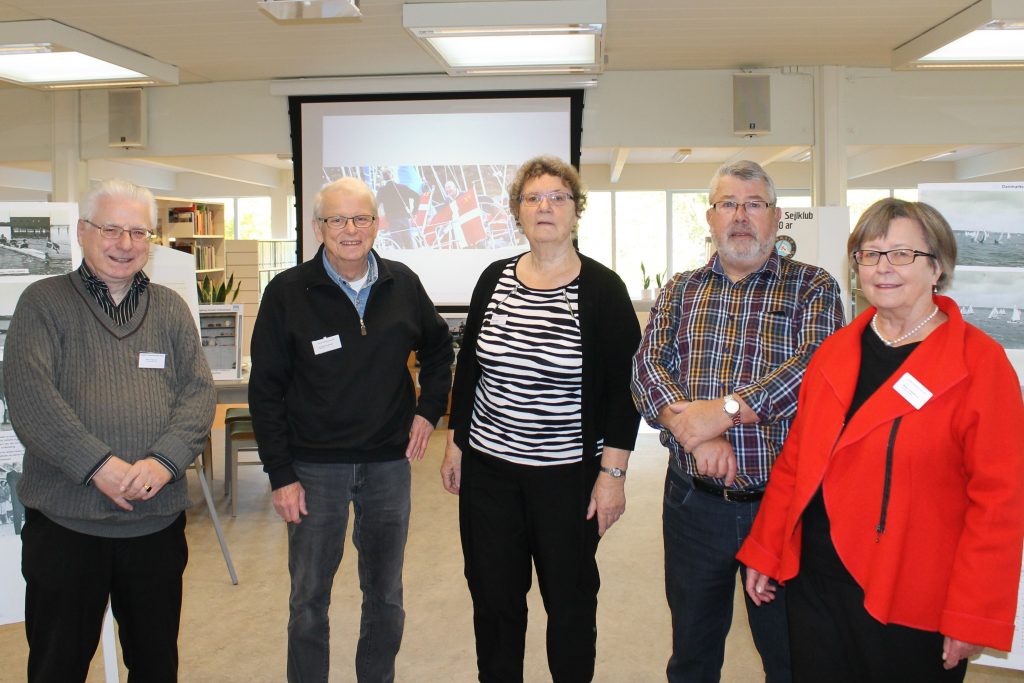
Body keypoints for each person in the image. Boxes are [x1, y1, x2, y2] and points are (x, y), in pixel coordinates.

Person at [738, 198, 1024, 682]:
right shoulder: (835, 351)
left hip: (912, 591)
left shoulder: (979, 363)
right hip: (818, 583)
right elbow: (797, 461)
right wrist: (766, 547)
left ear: (938, 268)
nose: (883, 268)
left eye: (901, 254)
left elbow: (1000, 502)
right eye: (869, 254)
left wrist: (973, 611)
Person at [631, 160, 845, 683]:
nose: (741, 216)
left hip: (782, 508)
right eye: (729, 204)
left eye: (755, 204)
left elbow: (815, 368)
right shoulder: (681, 289)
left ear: (776, 218)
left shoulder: (813, 287)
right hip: (691, 504)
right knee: (692, 653)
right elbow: (646, 369)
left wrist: (723, 414)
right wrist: (695, 434)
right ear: (710, 216)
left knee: (790, 655)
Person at [4, 178, 215, 682]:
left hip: (155, 524)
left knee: (156, 663)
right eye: (112, 229)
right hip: (66, 526)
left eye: (139, 232)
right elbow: (32, 398)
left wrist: (162, 462)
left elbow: (198, 393)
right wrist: (99, 466)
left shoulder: (169, 308)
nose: (126, 244)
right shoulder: (42, 303)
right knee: (57, 665)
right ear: (81, 231)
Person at [440, 155, 641, 682]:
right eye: (533, 198)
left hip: (566, 478)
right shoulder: (494, 278)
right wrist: (457, 441)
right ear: (518, 212)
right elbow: (472, 368)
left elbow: (626, 392)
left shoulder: (603, 289)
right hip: (489, 474)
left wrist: (612, 477)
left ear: (576, 211)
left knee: (570, 605)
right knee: (495, 602)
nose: (545, 206)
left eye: (558, 197)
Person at [249, 176, 453, 683]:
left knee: (385, 594)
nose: (349, 229)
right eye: (336, 219)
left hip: (388, 464)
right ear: (319, 227)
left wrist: (429, 410)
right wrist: (280, 474)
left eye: (360, 218)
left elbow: (438, 347)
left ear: (377, 224)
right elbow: (266, 389)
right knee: (309, 598)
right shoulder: (288, 293)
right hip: (313, 468)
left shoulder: (401, 283)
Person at [377, 168, 421, 249]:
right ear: (392, 176)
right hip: (405, 218)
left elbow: (375, 205)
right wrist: (414, 212)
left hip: (392, 220)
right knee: (409, 244)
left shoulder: (382, 191)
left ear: (383, 178)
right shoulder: (402, 187)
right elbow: (417, 196)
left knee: (398, 245)